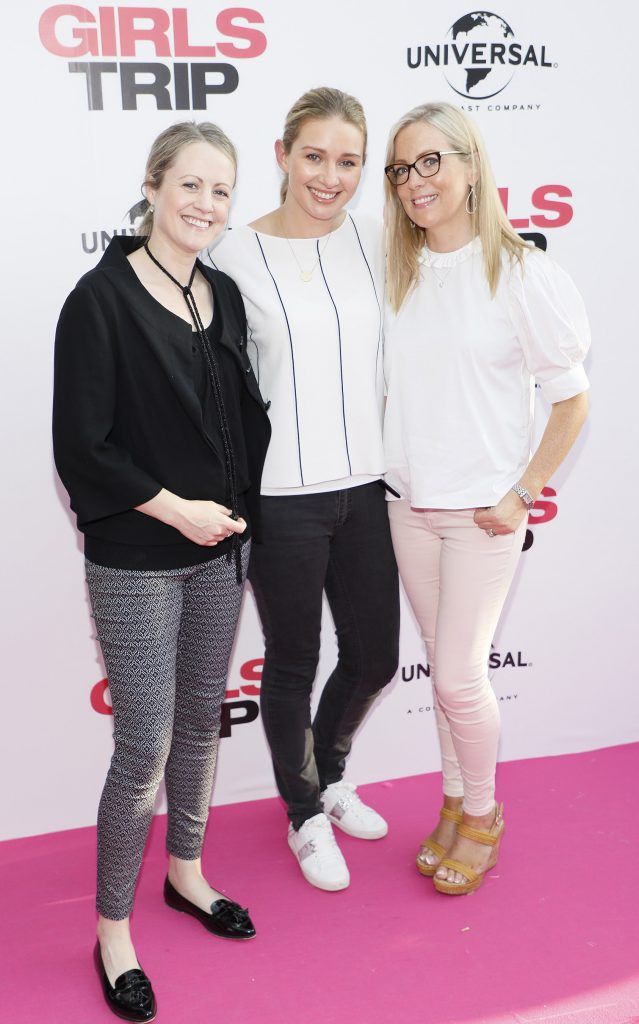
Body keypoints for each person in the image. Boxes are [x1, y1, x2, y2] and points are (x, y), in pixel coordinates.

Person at [53, 121, 270, 1021]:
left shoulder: (222, 293)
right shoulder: (98, 299)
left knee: (196, 726)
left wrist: (237, 517)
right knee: (142, 746)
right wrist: (176, 509)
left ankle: (186, 872)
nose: (205, 205)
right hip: (140, 557)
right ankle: (112, 929)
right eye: (189, 185)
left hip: (223, 554)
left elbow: (238, 424)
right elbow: (82, 448)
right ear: (152, 186)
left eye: (221, 190)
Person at [382, 102, 590, 895]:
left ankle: (483, 816)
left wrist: (522, 493)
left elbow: (571, 399)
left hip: (480, 516)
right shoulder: (398, 272)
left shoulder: (522, 271)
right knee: (442, 672)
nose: (415, 183)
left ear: (471, 165)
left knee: (458, 678)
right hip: (407, 505)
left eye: (431, 162)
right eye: (401, 170)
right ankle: (451, 803)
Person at [205, 87, 400, 892]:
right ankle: (303, 812)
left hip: (365, 487)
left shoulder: (378, 243)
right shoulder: (230, 254)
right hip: (281, 497)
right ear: (282, 155)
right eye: (313, 156)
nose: (329, 177)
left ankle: (331, 772)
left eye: (347, 161)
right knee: (291, 661)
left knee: (376, 657)